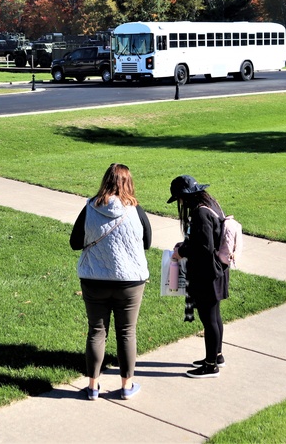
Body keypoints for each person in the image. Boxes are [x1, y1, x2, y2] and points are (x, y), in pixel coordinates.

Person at [70, 163, 152, 401]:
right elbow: (147, 242)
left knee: (96, 331)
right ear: (128, 183)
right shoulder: (136, 210)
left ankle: (93, 386)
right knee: (127, 332)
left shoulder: (89, 208)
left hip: (94, 279)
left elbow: (75, 242)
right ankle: (127, 386)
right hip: (130, 282)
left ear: (105, 180)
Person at [169, 175, 229, 379]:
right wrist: (185, 246)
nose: (180, 203)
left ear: (185, 197)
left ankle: (211, 365)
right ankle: (216, 355)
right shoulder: (210, 205)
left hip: (207, 274)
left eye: (179, 198)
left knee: (209, 318)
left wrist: (182, 251)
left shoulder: (201, 213)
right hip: (217, 271)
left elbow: (203, 248)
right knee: (215, 316)